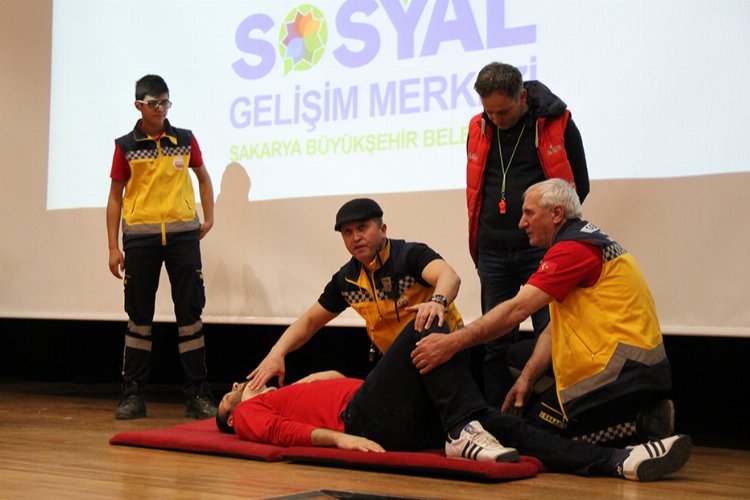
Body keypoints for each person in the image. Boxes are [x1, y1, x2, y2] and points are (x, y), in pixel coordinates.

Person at [217, 318, 692, 482]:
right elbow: (283, 434)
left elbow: (333, 377)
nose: (239, 384)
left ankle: (617, 461)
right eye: (230, 393)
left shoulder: (282, 393)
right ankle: (464, 431)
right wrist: (340, 442)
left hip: (389, 413)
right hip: (360, 420)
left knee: (496, 422)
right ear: (232, 415)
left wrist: (282, 379)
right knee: (426, 326)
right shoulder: (249, 414)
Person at [413, 178, 673, 447]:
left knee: (536, 435)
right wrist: (526, 378)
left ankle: (642, 422)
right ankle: (598, 413)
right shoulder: (582, 239)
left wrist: (451, 343)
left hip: (624, 369)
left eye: (529, 213)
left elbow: (516, 310)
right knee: (517, 358)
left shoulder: (573, 249)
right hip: (630, 360)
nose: (521, 223)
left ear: (557, 214)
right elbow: (552, 330)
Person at [466, 62, 590, 406]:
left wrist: (546, 228)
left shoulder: (556, 123)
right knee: (495, 342)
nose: (495, 119)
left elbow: (577, 187)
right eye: (489, 111)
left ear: (522, 97)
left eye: (503, 111)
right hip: (492, 250)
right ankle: (496, 417)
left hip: (541, 250)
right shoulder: (478, 126)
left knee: (550, 335)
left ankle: (551, 415)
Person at [245, 198, 464, 391]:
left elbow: (449, 276)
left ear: (383, 230)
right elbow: (310, 322)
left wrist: (438, 301)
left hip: (445, 349)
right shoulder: (347, 280)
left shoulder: (409, 256)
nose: (356, 237)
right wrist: (277, 352)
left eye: (362, 228)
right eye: (347, 232)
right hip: (399, 363)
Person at [106, 74, 217, 420]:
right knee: (139, 318)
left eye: (165, 102)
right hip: (141, 239)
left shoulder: (184, 139)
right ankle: (133, 395)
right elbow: (115, 197)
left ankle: (197, 394)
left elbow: (203, 178)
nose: (160, 109)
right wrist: (113, 247)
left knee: (190, 317)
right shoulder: (126, 145)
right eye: (153, 103)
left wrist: (208, 218)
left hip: (183, 237)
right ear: (138, 105)